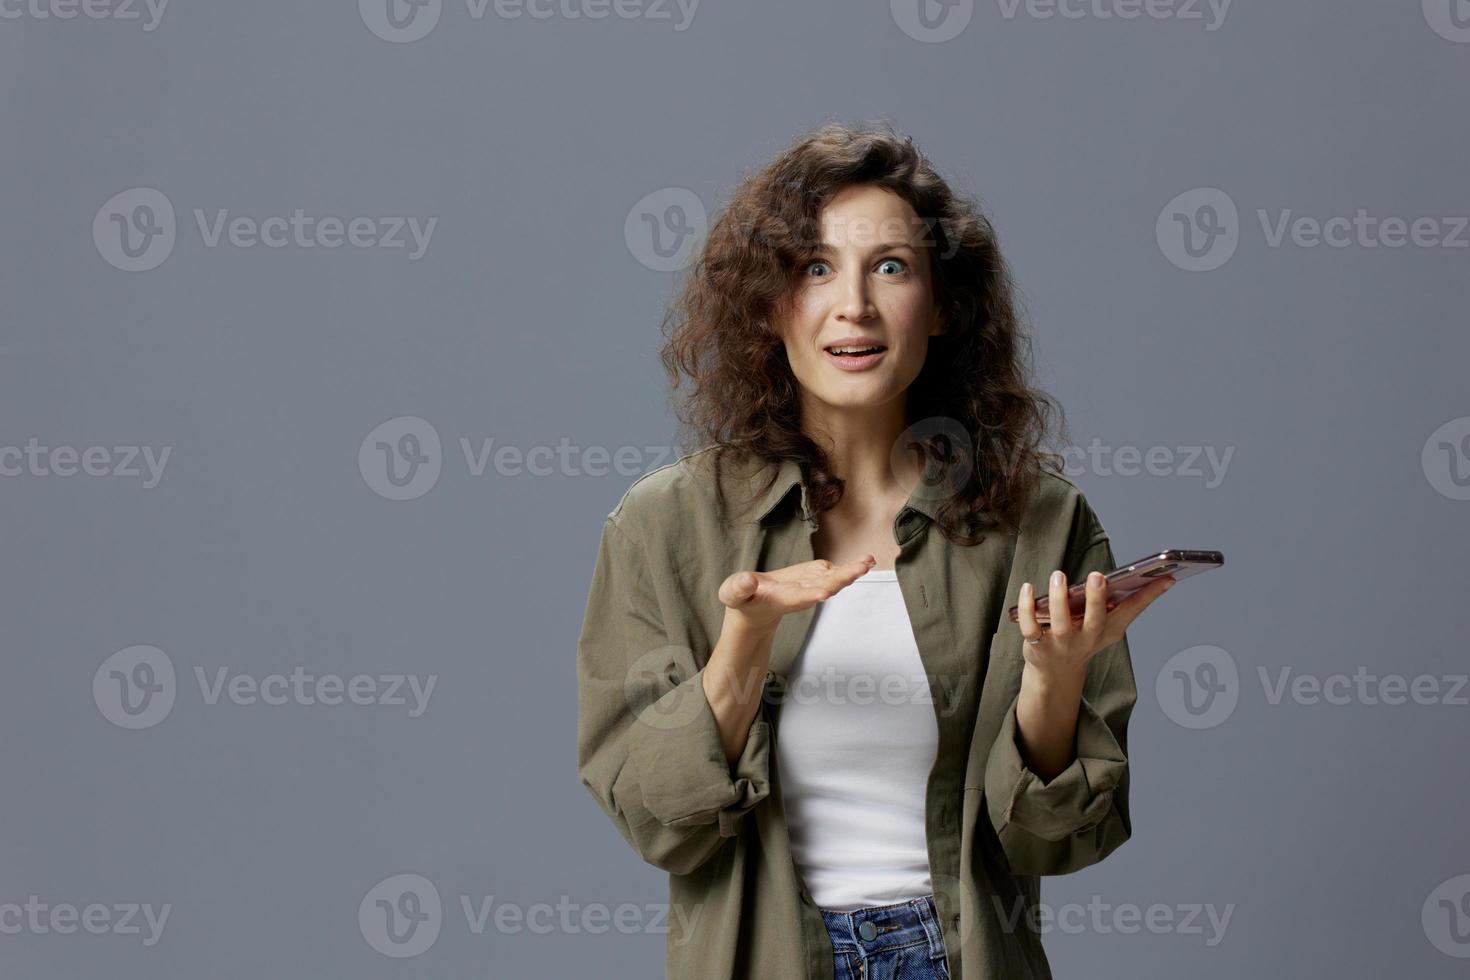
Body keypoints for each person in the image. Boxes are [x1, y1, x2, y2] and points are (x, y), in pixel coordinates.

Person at [576, 120, 1174, 979]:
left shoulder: (1039, 519)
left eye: (889, 267)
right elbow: (658, 819)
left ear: (941, 307)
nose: (853, 304)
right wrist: (743, 641)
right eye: (814, 268)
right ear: (767, 306)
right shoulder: (664, 525)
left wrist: (1053, 675)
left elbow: (1059, 841)